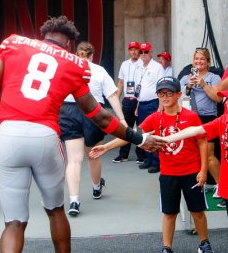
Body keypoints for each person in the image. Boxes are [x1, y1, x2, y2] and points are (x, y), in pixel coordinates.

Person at [0, 16, 162, 253]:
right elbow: (100, 116)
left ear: (44, 35)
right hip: (44, 136)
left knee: (13, 222)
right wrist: (139, 138)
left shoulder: (15, 46)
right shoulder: (74, 64)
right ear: (71, 44)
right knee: (55, 210)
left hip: (8, 134)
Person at [89, 76, 214, 253]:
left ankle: (204, 243)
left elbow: (202, 142)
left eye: (169, 93)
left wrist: (203, 170)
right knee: (169, 213)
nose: (165, 97)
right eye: (161, 93)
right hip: (169, 173)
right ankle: (167, 247)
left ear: (178, 94)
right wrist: (106, 147)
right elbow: (131, 135)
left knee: (197, 211)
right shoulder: (155, 118)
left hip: (191, 172)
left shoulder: (191, 117)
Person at [160, 82, 228, 253]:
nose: (227, 102)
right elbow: (195, 130)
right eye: (227, 98)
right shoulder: (224, 120)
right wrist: (165, 140)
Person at [59, 41, 125, 216]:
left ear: (76, 54)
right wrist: (122, 119)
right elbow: (112, 95)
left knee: (74, 160)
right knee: (93, 155)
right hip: (92, 110)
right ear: (92, 56)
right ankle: (96, 188)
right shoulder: (99, 70)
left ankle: (74, 200)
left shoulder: (67, 68)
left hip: (69, 110)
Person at [180, 48, 224, 207]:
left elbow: (217, 99)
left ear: (208, 62)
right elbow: (181, 98)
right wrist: (189, 87)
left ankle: (222, 186)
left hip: (208, 117)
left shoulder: (214, 77)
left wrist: (203, 84)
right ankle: (203, 181)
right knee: (195, 153)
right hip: (190, 118)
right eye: (196, 59)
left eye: (202, 59)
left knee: (210, 154)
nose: (199, 62)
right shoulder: (185, 77)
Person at [113, 41, 145, 163]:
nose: (134, 52)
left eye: (136, 49)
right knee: (125, 128)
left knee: (140, 128)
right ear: (129, 51)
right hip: (127, 100)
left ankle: (141, 156)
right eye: (131, 49)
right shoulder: (124, 64)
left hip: (139, 101)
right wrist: (116, 98)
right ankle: (123, 155)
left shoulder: (143, 64)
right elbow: (120, 82)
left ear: (139, 50)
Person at [136, 42, 165, 173]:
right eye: (141, 52)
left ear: (151, 52)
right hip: (141, 103)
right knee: (143, 132)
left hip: (153, 103)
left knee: (154, 132)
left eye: (145, 52)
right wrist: (137, 106)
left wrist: (160, 106)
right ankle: (148, 159)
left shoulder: (157, 67)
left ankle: (156, 161)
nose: (143, 55)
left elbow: (161, 87)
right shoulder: (139, 66)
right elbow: (139, 88)